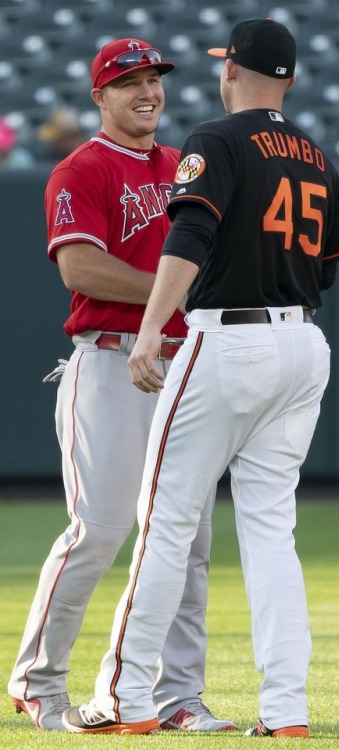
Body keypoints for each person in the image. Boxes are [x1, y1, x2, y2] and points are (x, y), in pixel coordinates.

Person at [61, 17, 339, 737]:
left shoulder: (216, 140)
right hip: (303, 342)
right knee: (270, 534)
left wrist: (153, 331)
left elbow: (187, 237)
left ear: (232, 72)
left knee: (164, 526)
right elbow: (328, 265)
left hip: (226, 343)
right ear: (288, 77)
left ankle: (126, 701)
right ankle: (287, 711)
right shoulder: (317, 154)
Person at [8, 37, 237, 734]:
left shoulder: (181, 166)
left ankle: (175, 697)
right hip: (109, 362)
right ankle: (39, 683)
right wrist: (176, 297)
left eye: (155, 79)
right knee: (100, 532)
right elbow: (82, 271)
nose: (147, 92)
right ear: (99, 96)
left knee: (187, 544)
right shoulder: (81, 169)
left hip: (182, 369)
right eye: (129, 81)